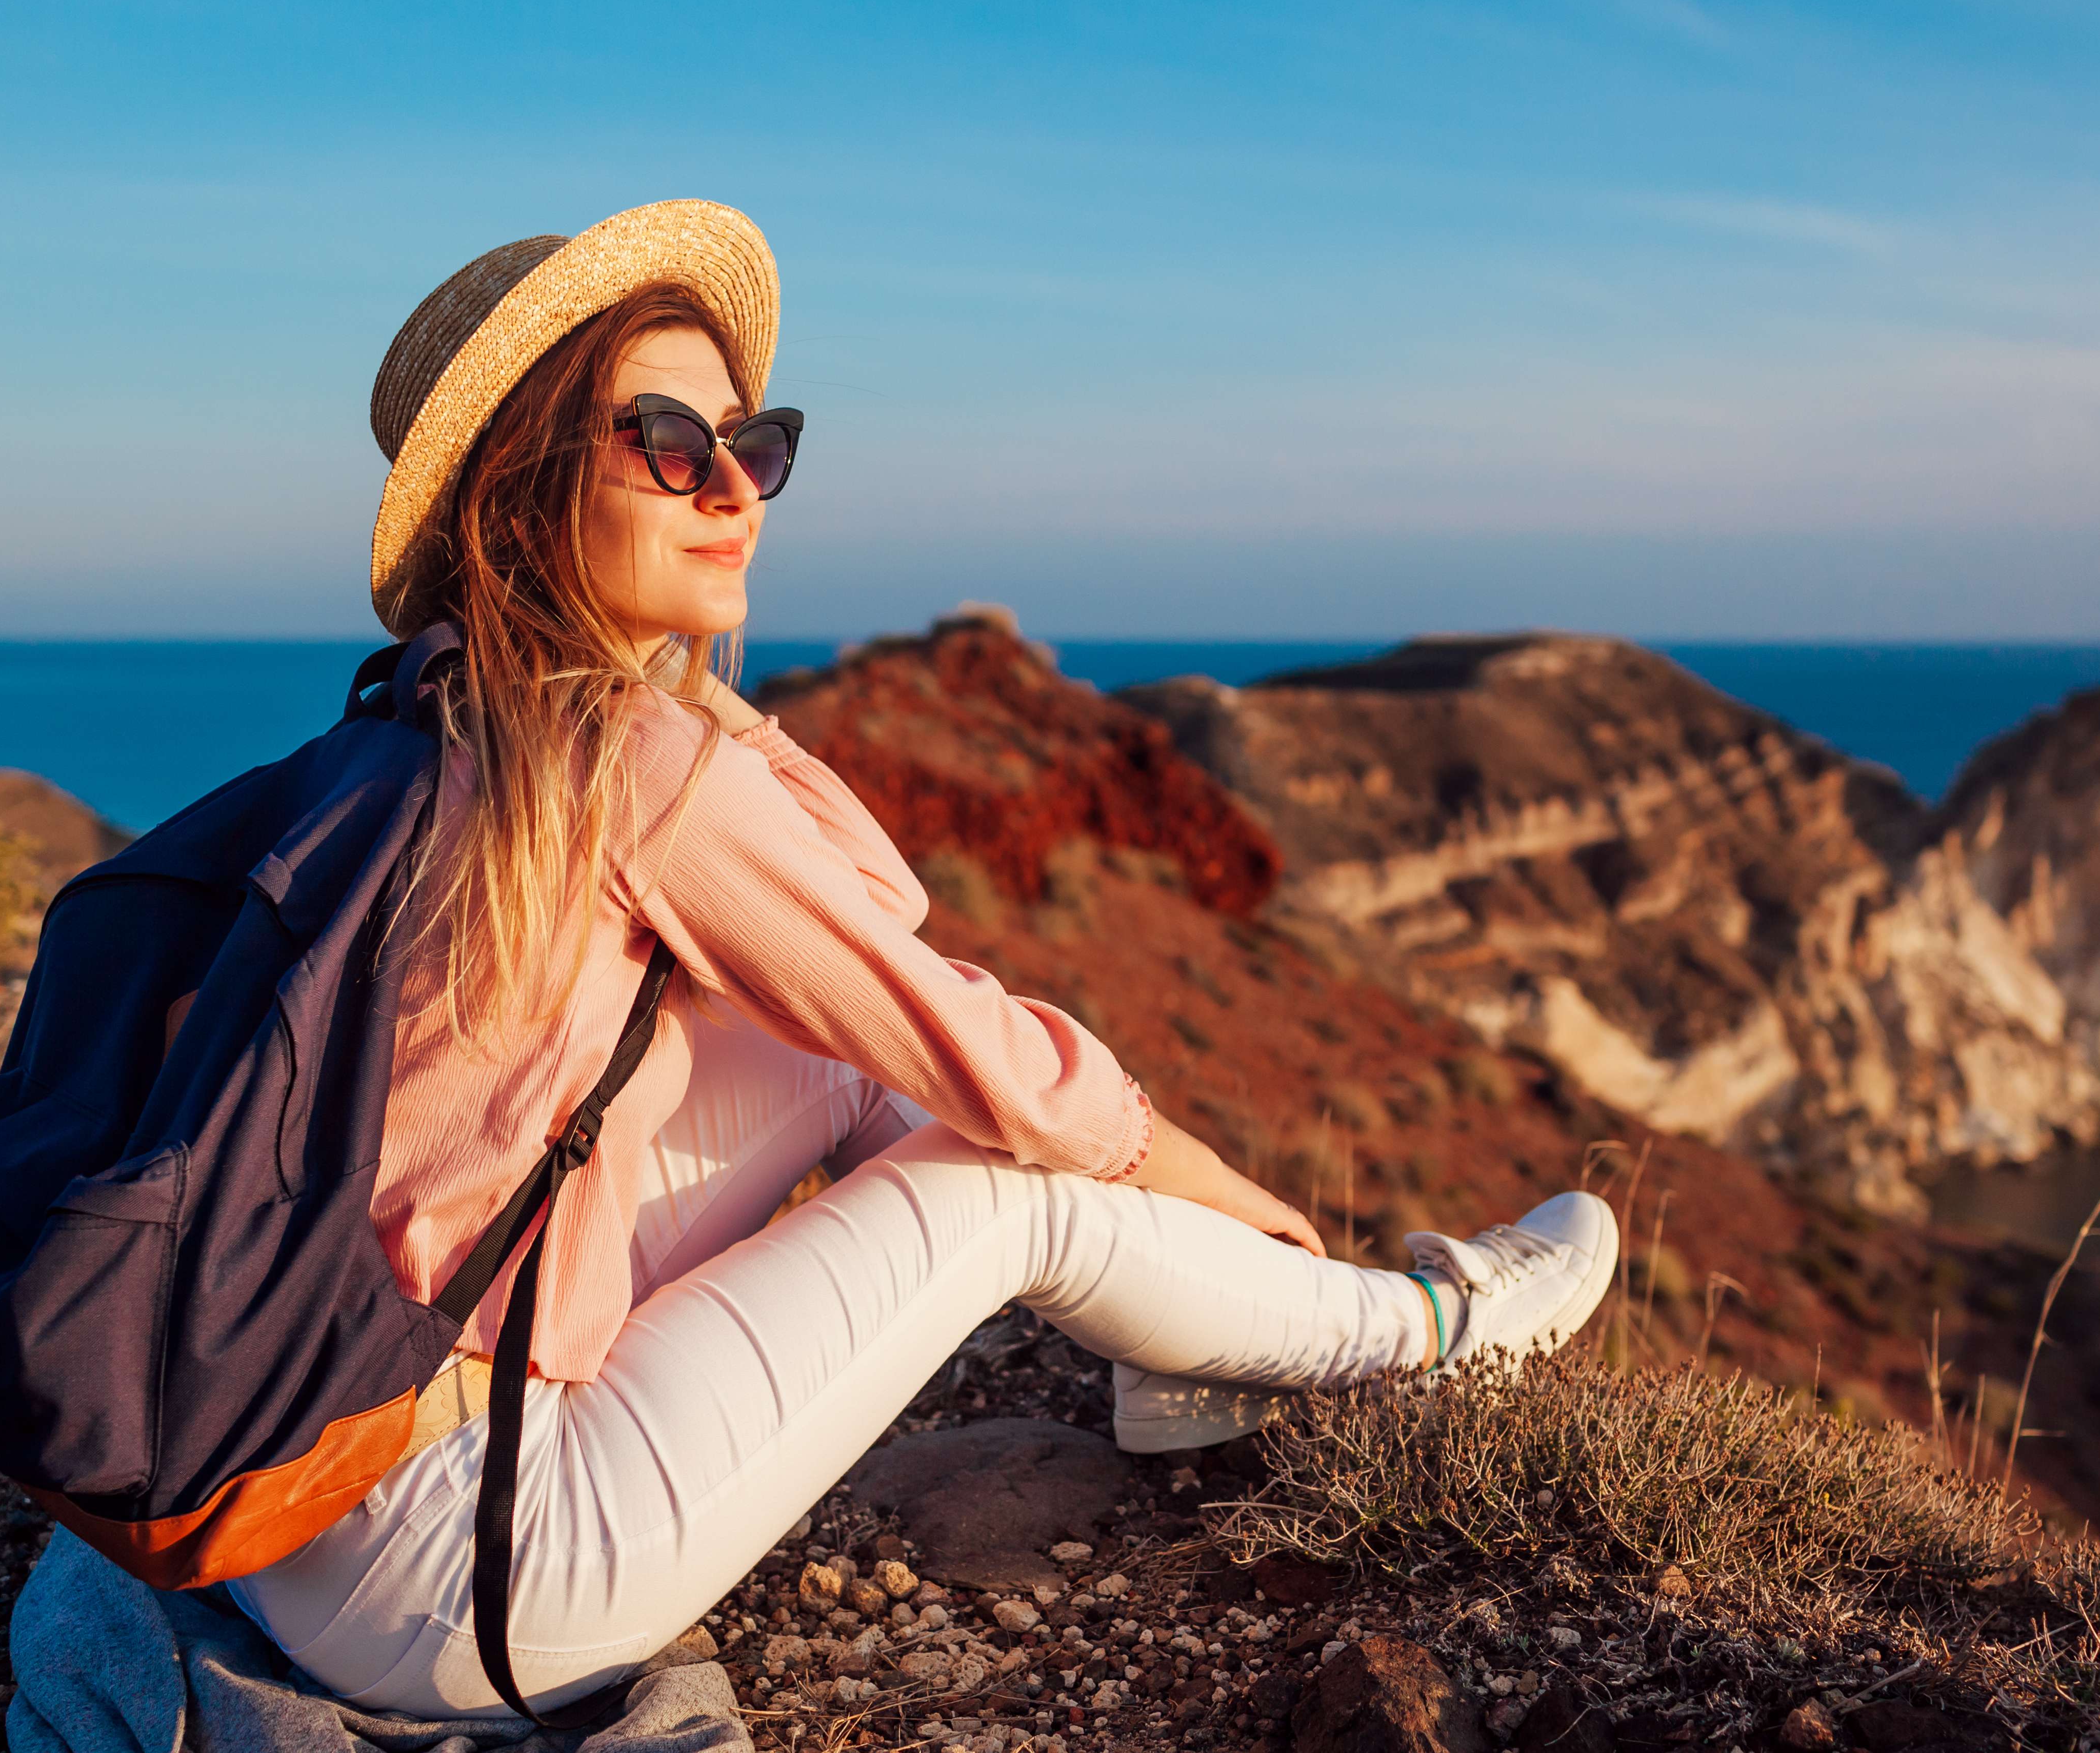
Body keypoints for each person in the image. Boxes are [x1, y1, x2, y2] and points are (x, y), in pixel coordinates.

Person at [224, 200, 1619, 1718]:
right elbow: (990, 1058)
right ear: (524, 482)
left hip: (314, 1511)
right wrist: (1216, 1188)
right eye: (672, 444)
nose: (734, 491)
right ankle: (1426, 1332)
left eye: (755, 449)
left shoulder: (449, 718)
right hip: (467, 1567)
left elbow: (871, 910)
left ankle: (1185, 1358)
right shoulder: (622, 759)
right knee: (1012, 1179)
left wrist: (704, 697)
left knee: (828, 1057)